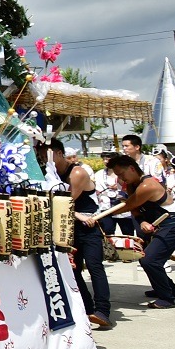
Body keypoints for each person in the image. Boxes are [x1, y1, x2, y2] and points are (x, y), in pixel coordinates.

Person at [104, 153, 175, 308]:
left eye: (122, 174)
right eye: (117, 175)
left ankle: (167, 298)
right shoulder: (132, 185)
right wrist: (143, 221)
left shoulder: (147, 185)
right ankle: (169, 289)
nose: (120, 178)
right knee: (146, 259)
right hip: (157, 227)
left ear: (132, 168)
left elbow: (128, 206)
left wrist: (100, 215)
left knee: (150, 260)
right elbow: (135, 211)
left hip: (171, 226)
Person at [51, 139, 111, 329]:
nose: (46, 158)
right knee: (73, 269)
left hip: (88, 226)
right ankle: (87, 307)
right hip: (68, 226)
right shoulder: (50, 173)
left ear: (59, 153)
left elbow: (66, 202)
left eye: (49, 154)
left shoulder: (77, 172)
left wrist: (76, 214)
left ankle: (103, 310)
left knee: (94, 267)